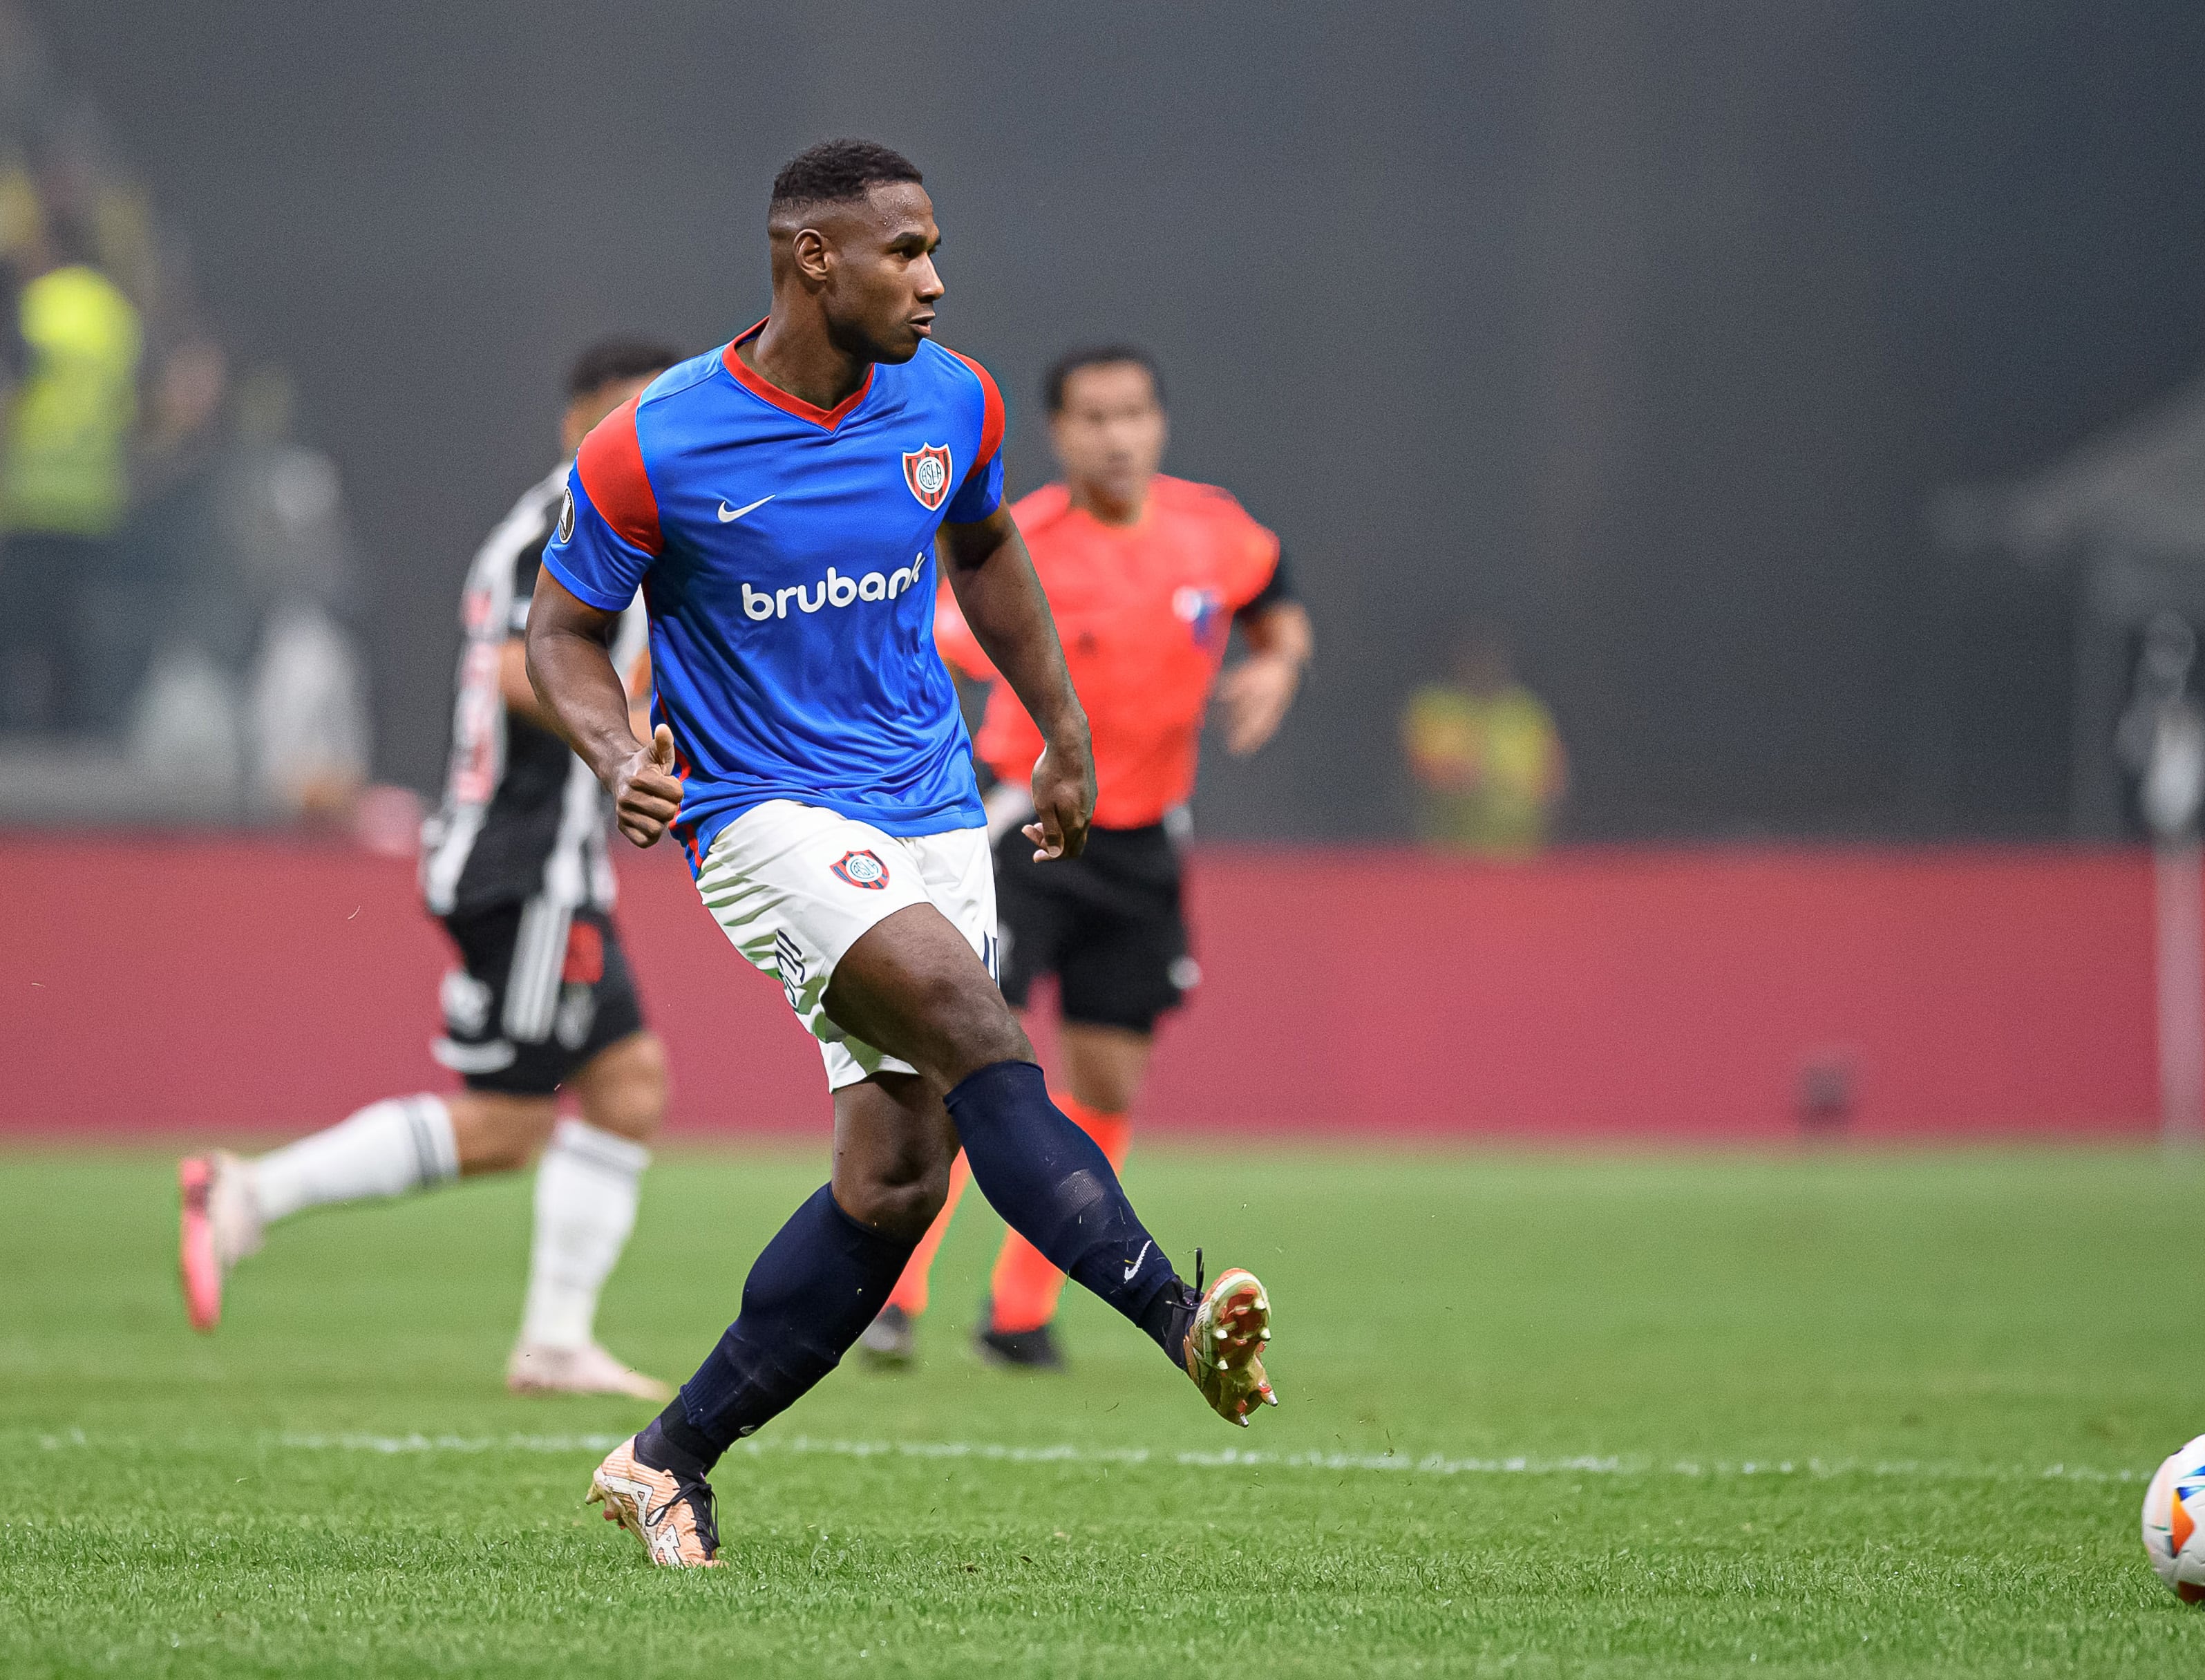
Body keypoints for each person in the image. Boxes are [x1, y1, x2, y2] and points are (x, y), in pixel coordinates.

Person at [525, 140, 1277, 1570]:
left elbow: (986, 547)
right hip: (758, 812)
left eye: (935, 253)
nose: (933, 282)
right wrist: (620, 754)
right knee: (972, 1021)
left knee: (894, 1183)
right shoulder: (657, 440)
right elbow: (558, 633)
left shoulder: (951, 395)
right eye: (906, 253)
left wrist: (1056, 730)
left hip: (929, 801)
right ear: (815, 259)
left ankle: (665, 1458)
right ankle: (1180, 1324)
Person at [177, 337, 685, 1401]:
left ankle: (553, 1341)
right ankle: (249, 1190)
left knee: (629, 1086)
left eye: (658, 414)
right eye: (623, 413)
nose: (643, 434)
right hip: (521, 860)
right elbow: (514, 666)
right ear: (575, 420)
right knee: (508, 1123)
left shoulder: (627, 521)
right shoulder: (560, 522)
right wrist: (638, 730)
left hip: (553, 865)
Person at [859, 345, 1311, 1372]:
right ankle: (894, 1294)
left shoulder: (1213, 528)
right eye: (1094, 417)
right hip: (1021, 829)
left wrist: (1278, 660)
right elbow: (916, 644)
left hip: (1146, 839)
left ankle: (1018, 1312)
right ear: (1060, 435)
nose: (1117, 435)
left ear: (1160, 421)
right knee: (967, 1063)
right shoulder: (1020, 543)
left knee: (1106, 1077)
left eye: (1134, 412)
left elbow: (1274, 599)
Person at [0, 206, 140, 733]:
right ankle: (80, 735)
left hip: (33, 499)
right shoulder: (115, 315)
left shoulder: (35, 310)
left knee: (15, 633)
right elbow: (127, 408)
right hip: (94, 502)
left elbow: (11, 395)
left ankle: (19, 735)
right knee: (76, 634)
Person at [1403, 629, 1567, 857]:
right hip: (1450, 856)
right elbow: (1424, 769)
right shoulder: (1434, 705)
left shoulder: (1527, 709)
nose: (1482, 663)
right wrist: (1460, 776)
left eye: (1489, 654)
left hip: (1520, 855)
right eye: (1474, 654)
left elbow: (1555, 779)